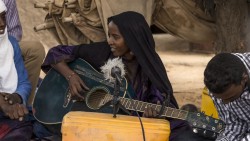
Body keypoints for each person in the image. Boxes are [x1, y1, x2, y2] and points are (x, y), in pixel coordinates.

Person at [42, 11, 213, 141]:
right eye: (109, 35)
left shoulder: (149, 65)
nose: (109, 41)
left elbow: (161, 100)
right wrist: (71, 76)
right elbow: (56, 53)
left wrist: (153, 112)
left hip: (130, 123)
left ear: (132, 39)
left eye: (115, 37)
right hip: (95, 120)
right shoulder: (102, 51)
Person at [0, 0, 33, 140]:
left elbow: (24, 82)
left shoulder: (11, 43)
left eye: (3, 17)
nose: (2, 24)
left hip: (8, 110)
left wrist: (16, 97)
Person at [3, 0, 45, 106]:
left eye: (3, 17)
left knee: (35, 50)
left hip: (4, 42)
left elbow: (14, 32)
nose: (2, 23)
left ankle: (23, 106)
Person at [204, 53, 250, 141]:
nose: (225, 103)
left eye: (231, 98)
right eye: (220, 99)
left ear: (244, 79)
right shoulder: (215, 84)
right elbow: (234, 124)